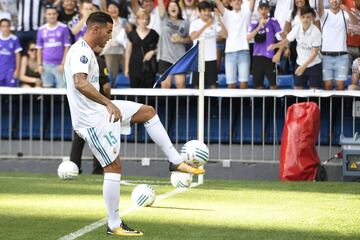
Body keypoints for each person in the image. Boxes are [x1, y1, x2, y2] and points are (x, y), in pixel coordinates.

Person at [64, 11, 204, 237]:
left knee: (148, 112)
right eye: (108, 31)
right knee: (114, 167)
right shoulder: (80, 51)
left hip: (100, 111)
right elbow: (80, 83)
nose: (110, 36)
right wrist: (107, 103)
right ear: (95, 29)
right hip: (91, 121)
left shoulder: (88, 51)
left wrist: (106, 104)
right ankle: (114, 224)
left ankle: (175, 161)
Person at [70, 46, 110, 175]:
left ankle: (73, 167)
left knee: (78, 137)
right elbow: (106, 85)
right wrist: (107, 102)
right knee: (98, 136)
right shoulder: (99, 60)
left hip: (81, 104)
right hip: (96, 104)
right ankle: (98, 169)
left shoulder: (76, 60)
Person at [268, 5, 322, 89]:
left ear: (312, 18)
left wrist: (303, 67)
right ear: (300, 17)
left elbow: (314, 53)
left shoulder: (316, 32)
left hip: (314, 65)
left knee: (314, 91)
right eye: (303, 17)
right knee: (297, 89)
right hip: (299, 62)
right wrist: (276, 45)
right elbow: (287, 40)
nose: (305, 20)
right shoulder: (297, 28)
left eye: (308, 17)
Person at [215, 0, 256, 89]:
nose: (237, 2)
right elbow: (218, 2)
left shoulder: (246, 13)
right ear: (230, 3)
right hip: (229, 52)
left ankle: (243, 103)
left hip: (244, 51)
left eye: (239, 0)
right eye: (234, 0)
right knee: (231, 84)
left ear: (242, 3)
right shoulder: (227, 14)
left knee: (243, 84)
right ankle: (231, 103)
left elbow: (253, 2)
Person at [318, 0, 356, 90]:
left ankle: (340, 105)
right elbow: (320, 11)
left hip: (342, 56)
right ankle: (328, 105)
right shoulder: (325, 13)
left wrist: (347, 10)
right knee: (327, 86)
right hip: (325, 56)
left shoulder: (344, 14)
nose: (334, 1)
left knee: (340, 86)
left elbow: (354, 22)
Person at [247, 0, 284, 89]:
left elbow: (284, 39)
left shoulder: (273, 21)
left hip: (270, 58)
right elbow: (248, 38)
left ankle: (274, 103)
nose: (263, 11)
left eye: (266, 9)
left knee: (273, 86)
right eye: (261, 9)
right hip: (257, 57)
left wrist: (279, 52)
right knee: (258, 86)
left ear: (269, 9)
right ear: (258, 10)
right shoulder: (253, 23)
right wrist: (259, 26)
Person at [190, 1, 227, 89]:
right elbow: (193, 37)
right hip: (198, 59)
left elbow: (224, 35)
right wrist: (206, 25)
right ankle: (198, 103)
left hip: (212, 59)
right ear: (199, 12)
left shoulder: (214, 23)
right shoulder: (195, 23)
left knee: (213, 86)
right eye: (204, 10)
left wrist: (219, 19)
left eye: (208, 10)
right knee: (197, 86)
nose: (207, 13)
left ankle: (212, 103)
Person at [158, 0, 191, 88]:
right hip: (165, 57)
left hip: (180, 58)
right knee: (165, 85)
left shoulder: (185, 23)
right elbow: (160, 2)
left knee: (180, 84)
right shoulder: (164, 18)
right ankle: (165, 103)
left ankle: (181, 103)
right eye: (170, 6)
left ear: (179, 9)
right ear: (167, 10)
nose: (173, 7)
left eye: (175, 6)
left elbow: (190, 39)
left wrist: (181, 39)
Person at [36, 4, 71, 88]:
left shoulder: (63, 27)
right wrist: (39, 65)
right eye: (49, 14)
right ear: (45, 15)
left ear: (57, 14)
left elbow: (67, 47)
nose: (51, 16)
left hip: (59, 65)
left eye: (53, 13)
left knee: (62, 90)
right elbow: (39, 49)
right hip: (46, 65)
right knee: (47, 90)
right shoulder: (41, 29)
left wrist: (63, 64)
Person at [124, 10, 159, 88]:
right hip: (134, 66)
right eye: (142, 19)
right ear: (137, 20)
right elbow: (128, 52)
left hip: (149, 67)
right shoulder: (132, 34)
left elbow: (160, 48)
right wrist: (126, 68)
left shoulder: (153, 33)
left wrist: (153, 52)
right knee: (134, 91)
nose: (144, 21)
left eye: (146, 19)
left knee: (148, 92)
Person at [101, 1, 127, 86]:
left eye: (115, 7)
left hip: (123, 51)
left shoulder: (123, 20)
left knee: (125, 74)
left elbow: (129, 32)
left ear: (118, 9)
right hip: (110, 51)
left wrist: (126, 26)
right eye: (111, 8)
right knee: (112, 75)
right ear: (107, 10)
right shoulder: (104, 22)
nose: (113, 10)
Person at [0, 18, 22, 87]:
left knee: (11, 92)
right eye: (3, 26)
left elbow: (18, 55)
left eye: (7, 26)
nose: (5, 28)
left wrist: (17, 70)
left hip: (11, 70)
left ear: (10, 27)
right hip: (1, 69)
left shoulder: (14, 39)